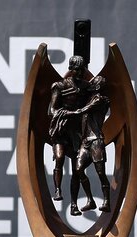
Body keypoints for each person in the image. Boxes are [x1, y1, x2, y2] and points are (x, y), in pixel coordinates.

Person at [48, 55, 95, 215]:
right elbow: (52, 110)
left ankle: (74, 205)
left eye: (82, 70)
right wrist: (68, 113)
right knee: (59, 158)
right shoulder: (59, 86)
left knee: (77, 169)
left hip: (77, 132)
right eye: (77, 69)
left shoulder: (86, 87)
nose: (80, 73)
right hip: (61, 129)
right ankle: (57, 190)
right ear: (71, 69)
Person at [72, 75, 111, 212]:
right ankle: (90, 200)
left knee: (100, 172)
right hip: (85, 142)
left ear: (98, 86)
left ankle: (106, 201)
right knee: (78, 169)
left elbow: (83, 110)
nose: (90, 84)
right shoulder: (89, 99)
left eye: (93, 83)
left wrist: (69, 112)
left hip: (96, 141)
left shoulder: (100, 100)